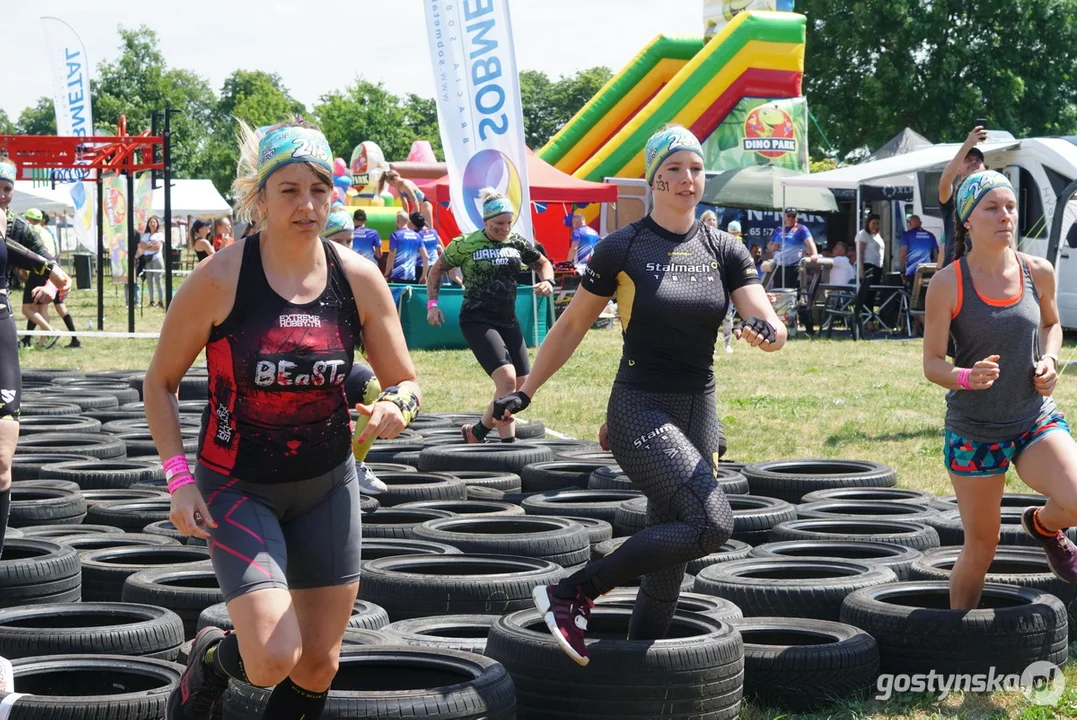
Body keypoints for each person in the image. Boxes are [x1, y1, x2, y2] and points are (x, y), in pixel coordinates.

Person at [143, 119, 421, 720]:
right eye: (289, 190)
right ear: (259, 197)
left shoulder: (358, 277)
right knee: (271, 657)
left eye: (319, 189)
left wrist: (399, 405)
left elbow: (406, 379)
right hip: (237, 485)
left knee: (318, 664)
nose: (307, 204)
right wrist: (178, 478)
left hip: (327, 484)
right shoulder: (219, 278)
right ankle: (212, 662)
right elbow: (159, 383)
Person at [490, 126, 787, 665]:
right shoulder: (622, 246)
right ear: (653, 179)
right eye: (673, 169)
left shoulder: (725, 248)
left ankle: (636, 673)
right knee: (710, 523)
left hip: (699, 408)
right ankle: (572, 591)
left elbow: (763, 315)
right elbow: (572, 325)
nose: (686, 179)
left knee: (670, 555)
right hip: (638, 408)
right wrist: (526, 390)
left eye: (695, 169)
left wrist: (766, 331)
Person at [922, 170, 1077, 612]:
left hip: (1033, 418)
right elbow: (932, 363)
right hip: (976, 431)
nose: (1005, 216)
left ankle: (1044, 527)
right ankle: (959, 638)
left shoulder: (1037, 271)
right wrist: (966, 377)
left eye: (1009, 207)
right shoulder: (948, 283)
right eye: (991, 207)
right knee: (982, 548)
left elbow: (1051, 325)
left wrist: (1049, 360)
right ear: (968, 219)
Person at [425, 188, 555, 444]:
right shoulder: (465, 244)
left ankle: (478, 432)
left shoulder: (516, 242)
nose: (504, 228)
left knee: (520, 385)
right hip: (477, 319)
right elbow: (436, 270)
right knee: (506, 380)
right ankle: (508, 443)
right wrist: (432, 304)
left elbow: (542, 262)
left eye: (508, 223)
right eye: (498, 224)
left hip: (507, 320)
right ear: (485, 222)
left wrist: (548, 281)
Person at [0, 157, 72, 559]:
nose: (2, 195)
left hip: (1, 327)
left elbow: (48, 259)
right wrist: (48, 271)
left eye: (7, 188)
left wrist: (50, 279)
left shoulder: (15, 225)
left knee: (1, 457)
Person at [938, 126, 988, 269]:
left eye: (978, 160)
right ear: (958, 169)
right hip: (954, 272)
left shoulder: (994, 197)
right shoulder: (952, 195)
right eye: (968, 159)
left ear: (985, 168)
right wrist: (968, 143)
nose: (974, 161)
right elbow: (944, 182)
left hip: (983, 272)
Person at [768, 208, 817, 334]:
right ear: (784, 217)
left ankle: (807, 328)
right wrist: (772, 246)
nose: (790, 218)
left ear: (797, 218)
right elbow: (769, 246)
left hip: (794, 267)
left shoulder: (801, 229)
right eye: (788, 216)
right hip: (779, 267)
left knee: (795, 298)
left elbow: (810, 242)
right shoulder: (779, 230)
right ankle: (778, 327)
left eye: (793, 216)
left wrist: (814, 254)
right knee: (778, 297)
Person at [17, 209, 58, 349]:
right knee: (42, 307)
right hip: (49, 271)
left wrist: (22, 269)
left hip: (38, 271)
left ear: (28, 219)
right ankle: (42, 342)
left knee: (26, 308)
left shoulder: (31, 231)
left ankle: (50, 330)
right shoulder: (47, 231)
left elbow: (27, 252)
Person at [855, 213, 886, 335]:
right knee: (866, 295)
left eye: (877, 223)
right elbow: (860, 253)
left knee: (872, 296)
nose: (875, 226)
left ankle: (870, 321)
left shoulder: (877, 236)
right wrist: (861, 270)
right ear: (868, 223)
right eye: (873, 223)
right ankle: (866, 322)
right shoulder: (863, 235)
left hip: (878, 267)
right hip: (867, 266)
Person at [384, 211, 423, 283]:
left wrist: (386, 274)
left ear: (397, 221)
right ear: (408, 221)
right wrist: (424, 275)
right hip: (412, 276)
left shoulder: (395, 235)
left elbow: (391, 256)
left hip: (398, 275)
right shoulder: (417, 236)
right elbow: (426, 257)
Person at [900, 215, 939, 283]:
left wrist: (902, 272)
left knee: (911, 292)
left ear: (910, 224)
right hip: (927, 271)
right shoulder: (930, 235)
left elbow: (902, 255)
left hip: (912, 272)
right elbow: (936, 256)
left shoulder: (906, 235)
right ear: (920, 223)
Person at [140, 216, 166, 308]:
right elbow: (141, 246)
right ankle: (152, 301)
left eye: (154, 222)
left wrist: (148, 246)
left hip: (156, 259)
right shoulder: (146, 235)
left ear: (157, 224)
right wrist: (150, 246)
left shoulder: (160, 235)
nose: (152, 224)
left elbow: (157, 247)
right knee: (149, 281)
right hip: (147, 260)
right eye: (150, 222)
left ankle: (161, 301)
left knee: (158, 280)